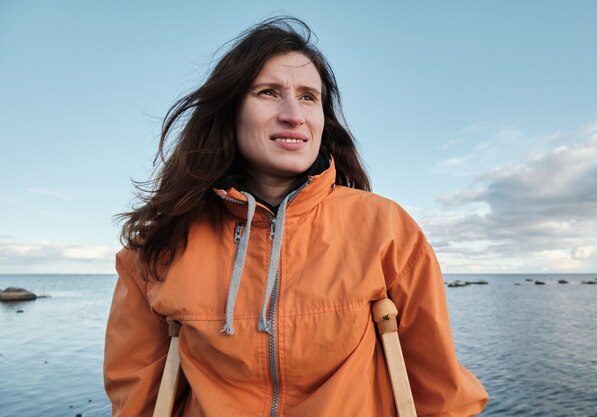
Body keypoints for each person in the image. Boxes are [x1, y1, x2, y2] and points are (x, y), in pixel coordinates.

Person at [104, 17, 489, 417]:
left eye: (309, 97)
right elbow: (136, 399)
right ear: (229, 111)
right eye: (269, 92)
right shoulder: (161, 245)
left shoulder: (385, 229)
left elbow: (441, 392)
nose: (294, 114)